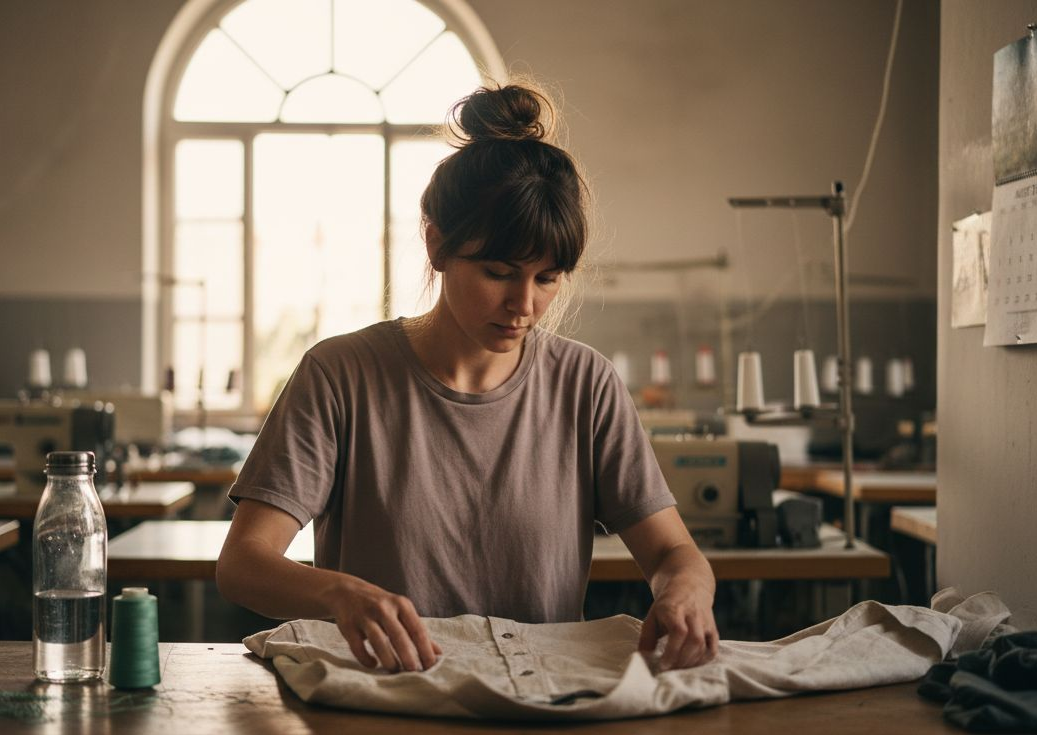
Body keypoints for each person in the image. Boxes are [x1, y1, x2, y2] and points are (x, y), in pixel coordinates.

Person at [216, 81, 718, 674]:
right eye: (498, 272)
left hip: (543, 704)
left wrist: (685, 591)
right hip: (388, 702)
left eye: (547, 278)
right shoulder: (341, 375)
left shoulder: (586, 385)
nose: (524, 304)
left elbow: (672, 552)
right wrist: (337, 594)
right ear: (436, 244)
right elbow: (243, 563)